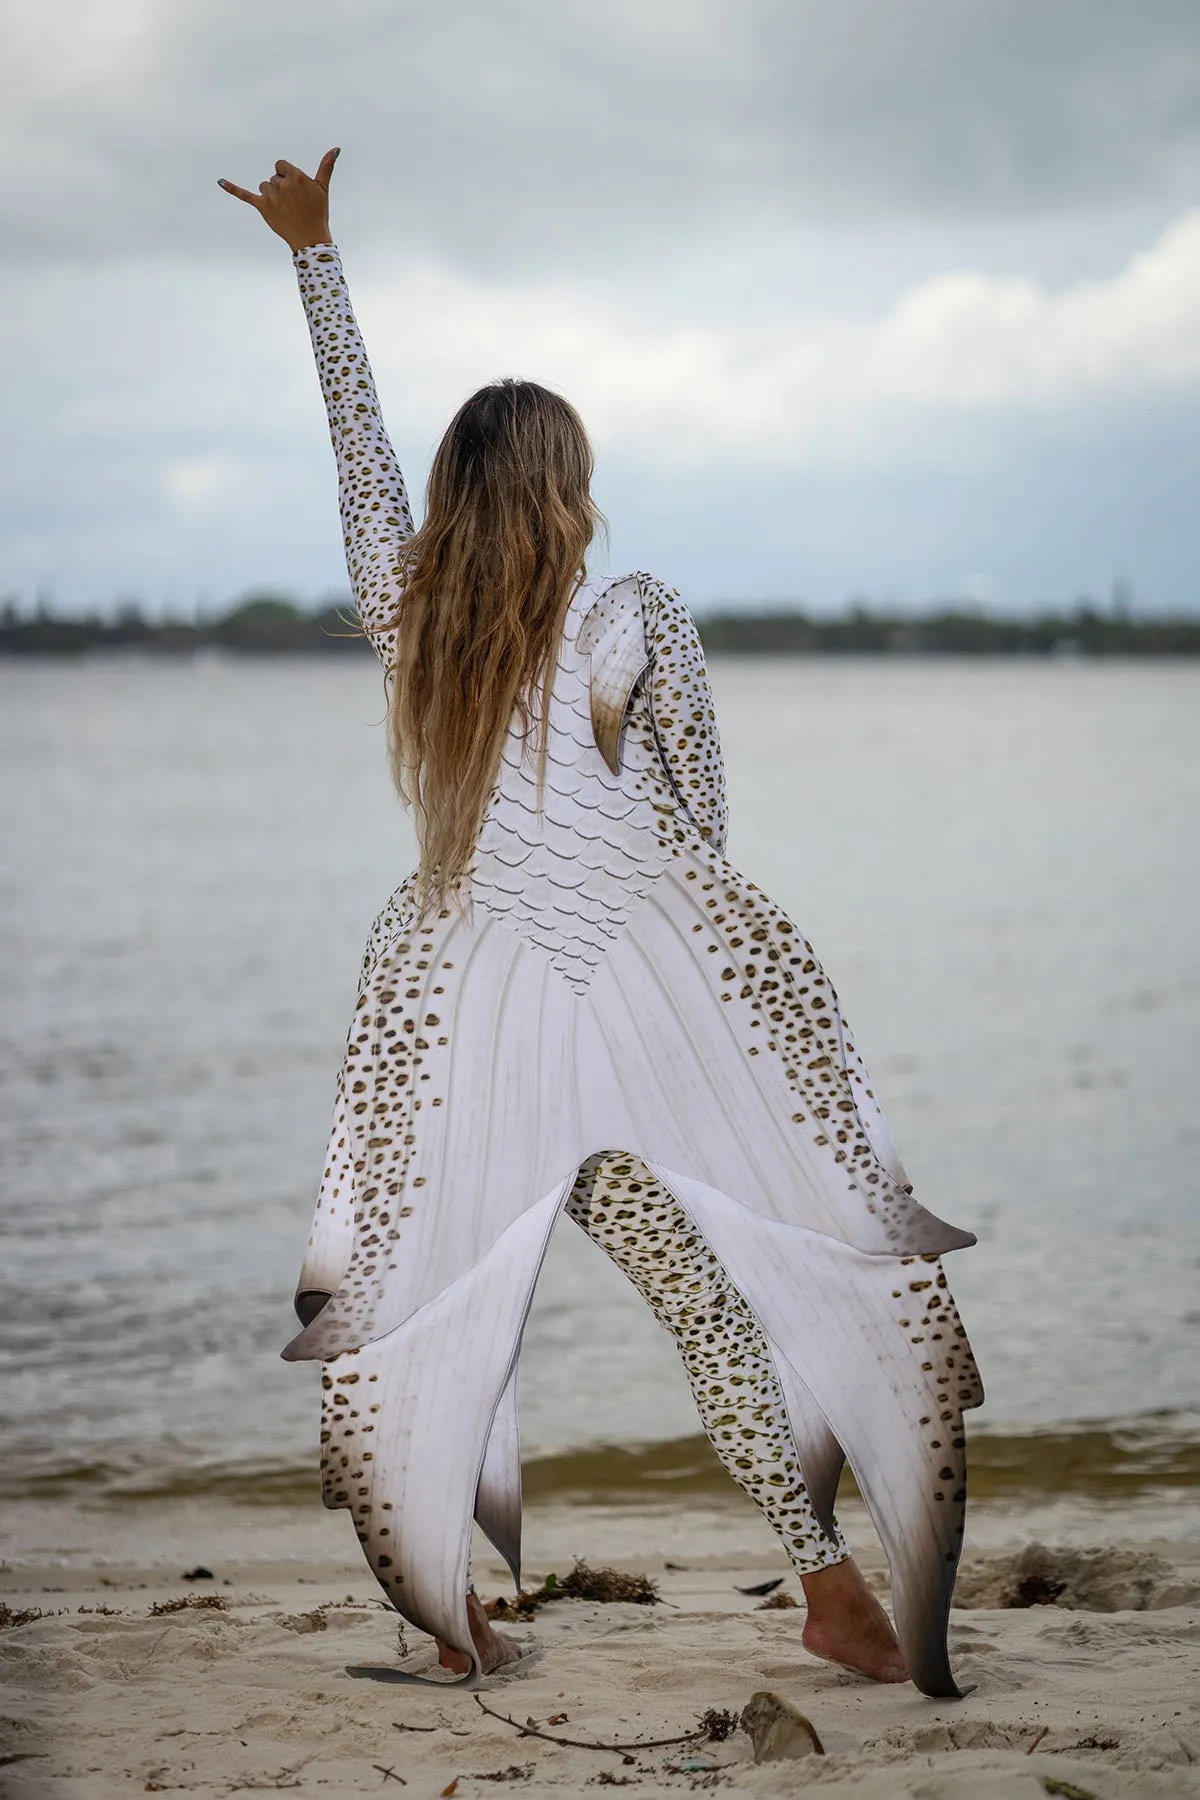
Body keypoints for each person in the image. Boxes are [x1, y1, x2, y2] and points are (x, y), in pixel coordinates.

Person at [220, 149, 983, 1696]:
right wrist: (697, 1017)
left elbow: (355, 449)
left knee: (436, 1301)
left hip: (464, 1024)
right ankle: (826, 1585)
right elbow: (700, 834)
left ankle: (450, 1616)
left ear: (453, 495)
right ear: (567, 487)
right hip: (629, 1014)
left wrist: (316, 258)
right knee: (704, 1293)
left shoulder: (404, 608)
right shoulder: (638, 613)